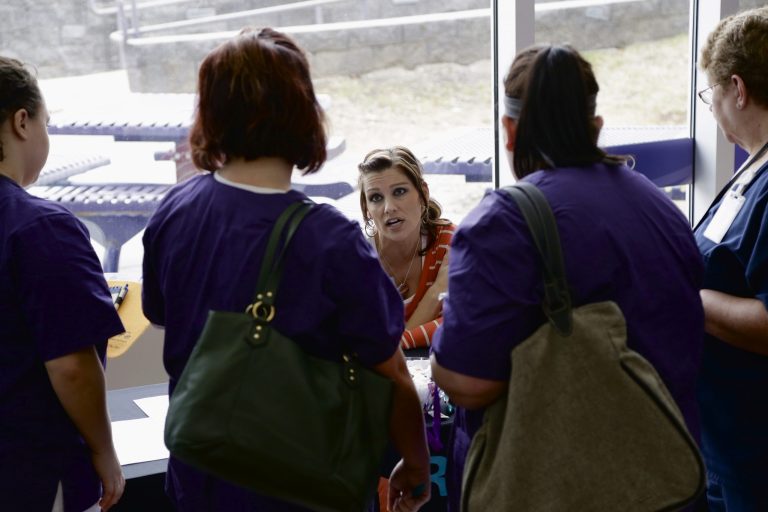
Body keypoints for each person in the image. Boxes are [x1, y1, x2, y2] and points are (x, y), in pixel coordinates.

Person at [141, 28, 431, 512]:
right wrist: (416, 466)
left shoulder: (175, 210)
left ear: (209, 113)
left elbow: (161, 316)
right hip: (303, 486)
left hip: (199, 477)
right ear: (304, 114)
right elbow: (394, 375)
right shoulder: (330, 240)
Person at [429, 44, 705, 511]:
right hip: (664, 479)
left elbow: (466, 382)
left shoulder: (503, 223)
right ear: (595, 125)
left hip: (561, 486)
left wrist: (454, 321)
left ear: (510, 132)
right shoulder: (659, 205)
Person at [0, 56, 125, 511]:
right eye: (45, 123)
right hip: (30, 470)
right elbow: (72, 367)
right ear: (21, 122)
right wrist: (103, 449)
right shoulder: (40, 228)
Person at [693, 7, 768, 510]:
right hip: (719, 436)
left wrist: (686, 297)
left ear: (737, 89)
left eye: (711, 95)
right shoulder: (752, 167)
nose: (712, 109)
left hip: (754, 452)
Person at [358, 146, 455, 350]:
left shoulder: (449, 244)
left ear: (423, 193)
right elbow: (367, 346)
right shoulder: (356, 258)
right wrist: (437, 290)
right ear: (367, 209)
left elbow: (459, 322)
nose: (389, 208)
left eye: (399, 192)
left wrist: (395, 343)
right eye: (376, 198)